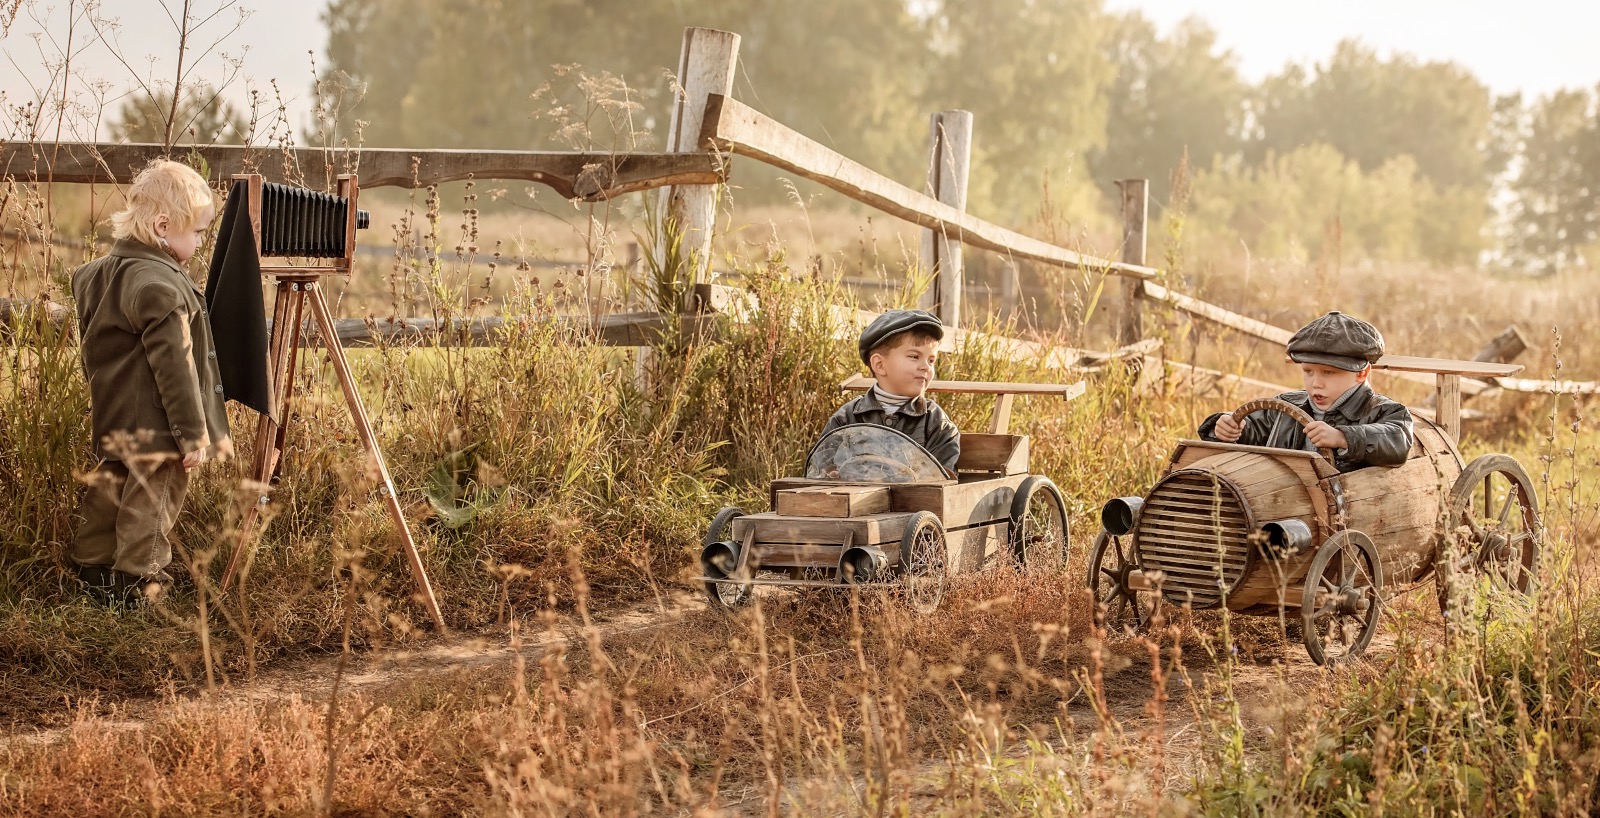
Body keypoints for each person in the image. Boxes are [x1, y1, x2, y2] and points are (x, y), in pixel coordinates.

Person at [70, 159, 232, 606]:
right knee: (152, 501)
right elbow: (175, 366)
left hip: (113, 413)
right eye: (198, 232)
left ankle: (94, 574)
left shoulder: (94, 275)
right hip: (160, 425)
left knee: (109, 492)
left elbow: (94, 348)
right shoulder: (157, 284)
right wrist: (191, 434)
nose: (201, 242)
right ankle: (139, 587)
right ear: (164, 225)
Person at [1198, 310, 1413, 472]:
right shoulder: (1286, 406)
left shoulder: (1384, 412)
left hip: (1344, 513)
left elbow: (1398, 441)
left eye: (1328, 373)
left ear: (1361, 374)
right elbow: (1255, 427)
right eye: (1308, 371)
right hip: (1279, 502)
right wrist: (1231, 426)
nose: (1315, 383)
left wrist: (1343, 437)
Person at [821, 309, 960, 474]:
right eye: (914, 357)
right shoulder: (846, 419)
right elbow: (821, 472)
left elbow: (942, 483)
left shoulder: (936, 424)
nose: (926, 367)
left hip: (916, 500)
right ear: (879, 365)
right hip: (854, 499)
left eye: (931, 360)